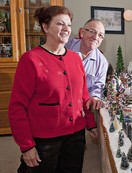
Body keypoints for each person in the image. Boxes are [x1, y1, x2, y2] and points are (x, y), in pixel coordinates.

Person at [8, 6, 97, 173]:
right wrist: (26, 146)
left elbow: (83, 95)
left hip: (75, 136)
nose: (66, 29)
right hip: (45, 140)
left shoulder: (75, 59)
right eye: (60, 24)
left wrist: (91, 124)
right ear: (45, 27)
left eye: (69, 25)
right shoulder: (31, 59)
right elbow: (17, 107)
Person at [65, 19, 108, 110]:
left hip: (80, 108)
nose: (96, 37)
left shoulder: (102, 62)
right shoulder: (66, 47)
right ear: (82, 32)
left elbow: (97, 87)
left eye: (100, 35)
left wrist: (95, 97)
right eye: (92, 32)